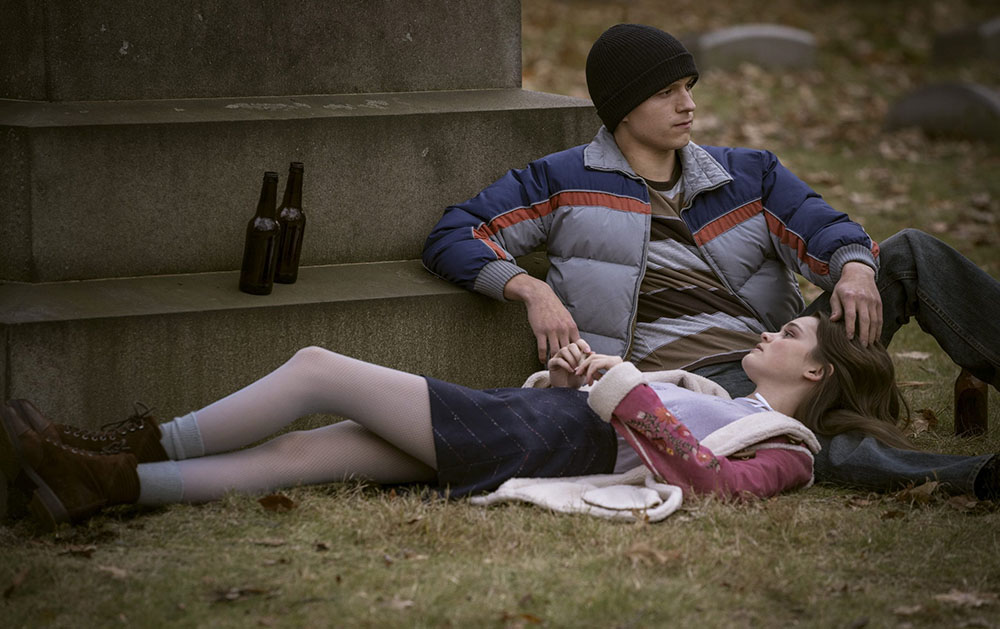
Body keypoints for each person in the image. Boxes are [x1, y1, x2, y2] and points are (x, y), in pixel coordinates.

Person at [422, 23, 1000, 499]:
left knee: (911, 253)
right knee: (792, 437)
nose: (689, 105)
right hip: (694, 385)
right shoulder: (563, 180)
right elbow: (455, 234)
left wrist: (854, 268)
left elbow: (825, 227)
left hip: (781, 349)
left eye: (688, 86)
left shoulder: (747, 174)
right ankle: (979, 477)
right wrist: (530, 288)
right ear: (623, 108)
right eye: (666, 93)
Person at [3, 314, 904, 529]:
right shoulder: (727, 395)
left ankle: (133, 445)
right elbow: (635, 413)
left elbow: (711, 485)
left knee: (319, 368)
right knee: (306, 450)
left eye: (792, 333)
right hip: (539, 418)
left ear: (816, 371)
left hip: (538, 440)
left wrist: (623, 390)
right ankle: (106, 483)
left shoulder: (788, 450)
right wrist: (573, 374)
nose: (772, 331)